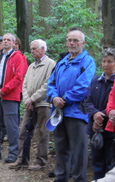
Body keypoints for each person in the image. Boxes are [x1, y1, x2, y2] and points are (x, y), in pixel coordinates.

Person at [47, 28, 96, 181]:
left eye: (75, 40)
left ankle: (79, 179)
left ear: (83, 43)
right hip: (59, 113)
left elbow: (84, 85)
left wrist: (65, 100)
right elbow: (51, 83)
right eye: (69, 40)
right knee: (61, 148)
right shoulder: (62, 62)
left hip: (77, 112)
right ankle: (61, 177)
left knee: (78, 150)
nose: (72, 43)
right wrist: (54, 98)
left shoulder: (87, 61)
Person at [9, 39, 56, 170]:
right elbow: (24, 84)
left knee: (43, 133)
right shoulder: (31, 66)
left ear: (42, 49)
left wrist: (33, 98)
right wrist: (27, 99)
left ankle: (41, 161)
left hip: (43, 104)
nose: (32, 51)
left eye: (34, 49)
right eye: (31, 49)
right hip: (30, 105)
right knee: (23, 131)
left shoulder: (50, 64)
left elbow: (48, 85)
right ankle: (21, 159)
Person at [0, 33, 28, 163]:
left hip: (10, 96)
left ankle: (13, 152)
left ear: (13, 43)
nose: (5, 42)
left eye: (8, 40)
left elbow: (18, 78)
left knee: (11, 125)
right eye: (4, 40)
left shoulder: (19, 57)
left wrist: (3, 90)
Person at [83, 48, 115, 180]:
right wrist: (94, 114)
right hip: (95, 129)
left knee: (110, 163)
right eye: (104, 61)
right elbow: (87, 101)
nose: (106, 64)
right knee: (97, 163)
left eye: (110, 61)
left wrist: (101, 115)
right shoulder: (95, 80)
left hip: (110, 130)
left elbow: (111, 105)